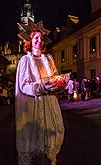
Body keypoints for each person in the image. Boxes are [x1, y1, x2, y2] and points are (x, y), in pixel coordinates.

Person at [15, 21, 64, 165]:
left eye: (41, 38)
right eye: (36, 37)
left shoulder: (48, 59)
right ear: (30, 40)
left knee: (50, 139)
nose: (39, 40)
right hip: (33, 106)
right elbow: (24, 86)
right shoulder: (25, 60)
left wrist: (59, 84)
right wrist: (42, 86)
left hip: (49, 105)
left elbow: (55, 76)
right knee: (35, 144)